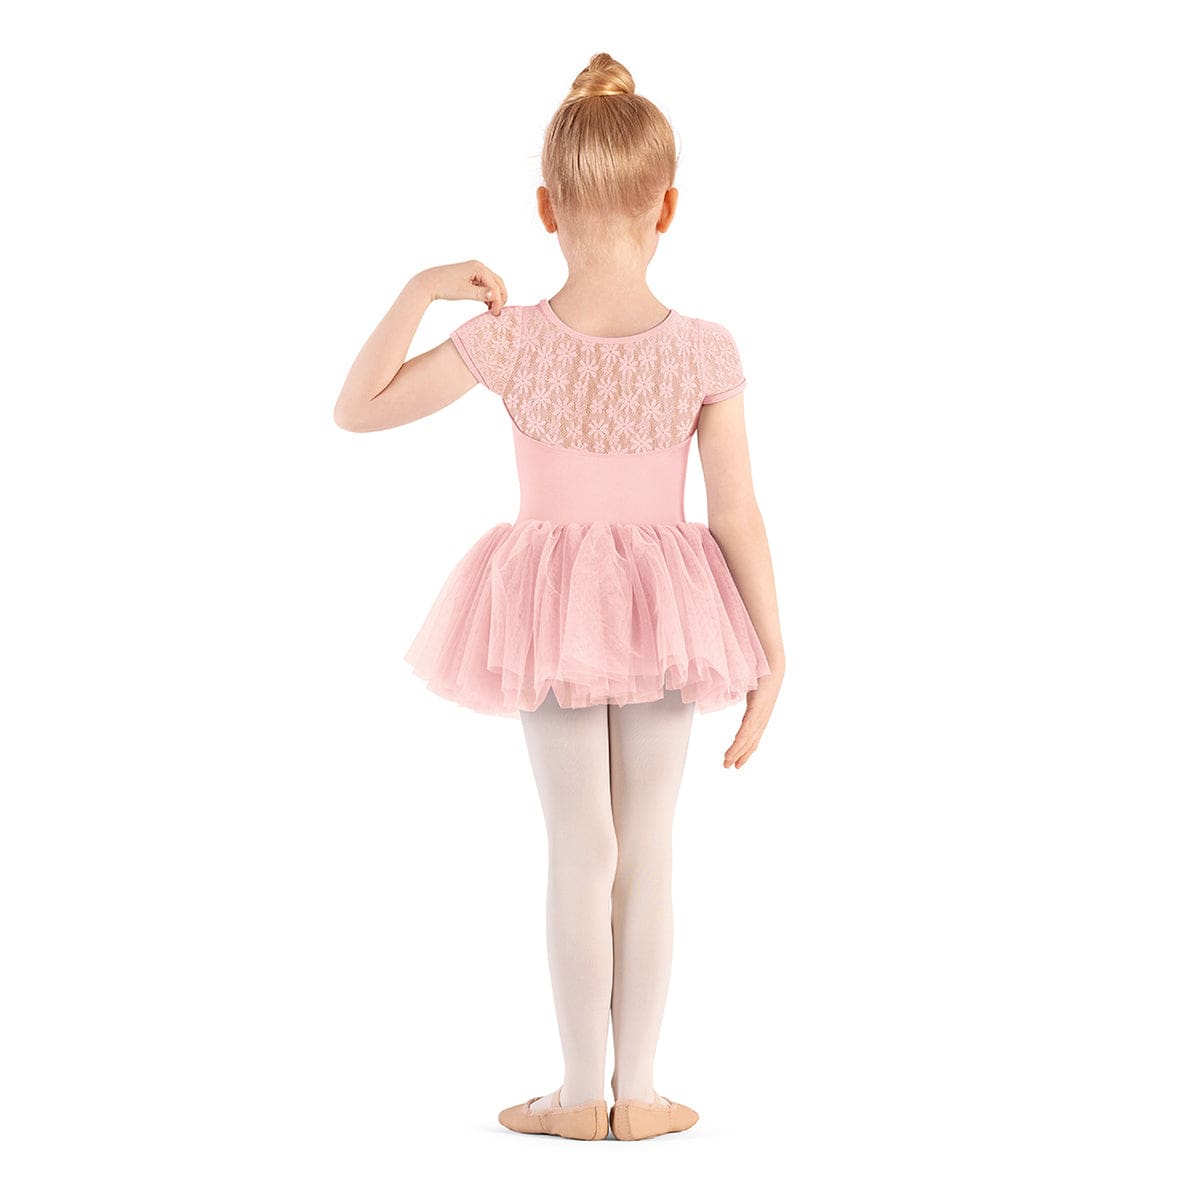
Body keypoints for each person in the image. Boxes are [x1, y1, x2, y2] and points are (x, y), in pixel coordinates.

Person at [333, 52, 786, 1142]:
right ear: (668, 207)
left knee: (580, 848)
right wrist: (774, 656)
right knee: (650, 847)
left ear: (545, 207)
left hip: (548, 612)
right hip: (673, 611)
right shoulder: (706, 350)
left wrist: (420, 288)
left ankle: (581, 1094)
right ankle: (641, 1093)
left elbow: (359, 407)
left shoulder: (511, 340)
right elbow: (736, 513)